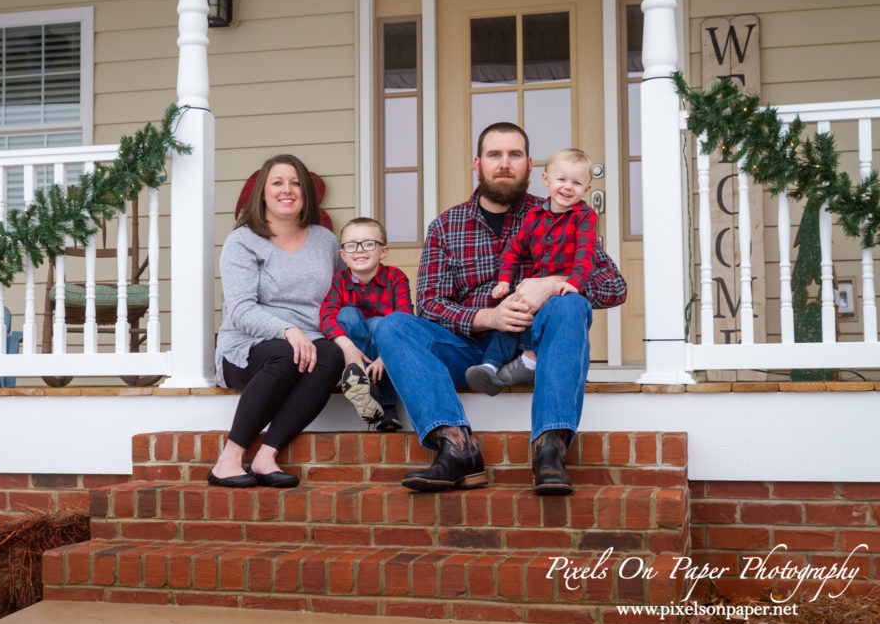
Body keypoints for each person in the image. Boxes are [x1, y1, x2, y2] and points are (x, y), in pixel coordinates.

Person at [373, 123, 626, 496]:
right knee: (392, 326)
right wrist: (487, 317)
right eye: (495, 155)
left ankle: (549, 448)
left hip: (535, 348)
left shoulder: (563, 214)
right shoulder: (447, 225)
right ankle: (456, 447)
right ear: (478, 164)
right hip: (470, 350)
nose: (504, 164)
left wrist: (549, 283)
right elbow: (428, 304)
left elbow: (614, 287)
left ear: (529, 166)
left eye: (514, 155)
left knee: (570, 304)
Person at [212, 154, 345, 489]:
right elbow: (241, 310)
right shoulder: (242, 241)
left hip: (310, 344)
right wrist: (288, 331)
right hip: (249, 346)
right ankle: (228, 460)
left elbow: (342, 297)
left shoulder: (325, 241)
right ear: (263, 192)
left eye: (296, 182)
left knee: (330, 355)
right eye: (278, 182)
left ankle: (266, 456)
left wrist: (348, 340)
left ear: (306, 193)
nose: (288, 189)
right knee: (284, 354)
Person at [466, 148, 598, 396]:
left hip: (562, 291)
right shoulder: (534, 216)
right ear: (546, 179)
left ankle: (529, 360)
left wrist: (575, 283)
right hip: (535, 286)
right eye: (561, 179)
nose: (568, 187)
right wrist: (504, 280)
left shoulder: (584, 217)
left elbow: (585, 253)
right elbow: (514, 250)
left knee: (554, 311)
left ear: (587, 190)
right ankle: (489, 366)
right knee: (514, 311)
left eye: (577, 183)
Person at [319, 217, 412, 432]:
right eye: (351, 245)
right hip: (354, 358)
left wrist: (385, 356)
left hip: (386, 353)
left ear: (383, 251)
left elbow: (405, 318)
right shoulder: (339, 281)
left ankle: (384, 403)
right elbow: (327, 316)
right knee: (347, 315)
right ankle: (368, 390)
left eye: (369, 243)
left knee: (383, 323)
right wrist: (348, 347)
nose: (359, 250)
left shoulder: (396, 278)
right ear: (342, 254)